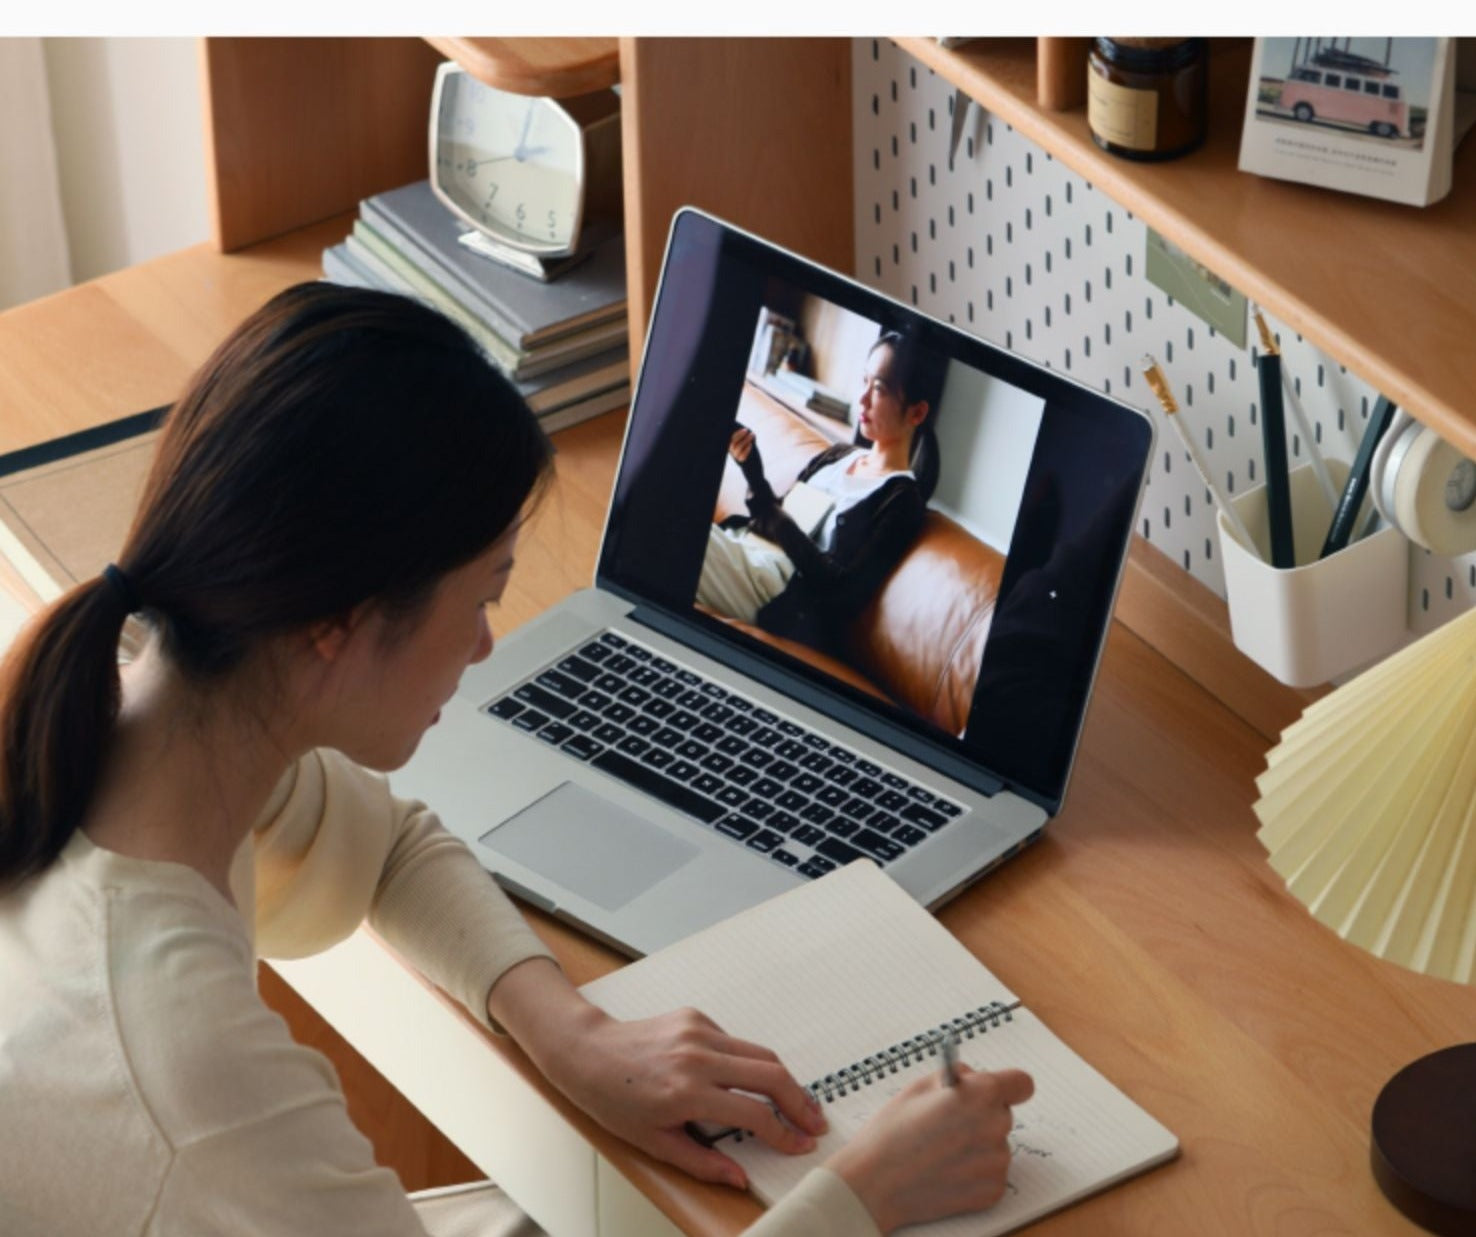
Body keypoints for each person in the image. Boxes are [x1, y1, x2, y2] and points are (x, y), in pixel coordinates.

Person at [0, 284, 1032, 1237]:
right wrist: (864, 1194)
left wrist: (572, 1033)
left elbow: (390, 841)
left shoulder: (144, 714)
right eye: (485, 595)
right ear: (338, 624)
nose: (488, 644)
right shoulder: (194, 1081)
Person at [696, 330, 944, 658]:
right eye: (864, 381)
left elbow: (844, 593)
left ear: (917, 413)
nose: (862, 399)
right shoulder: (839, 455)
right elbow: (771, 519)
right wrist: (751, 468)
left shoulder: (901, 501)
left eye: (879, 389)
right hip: (746, 550)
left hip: (774, 590)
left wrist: (776, 519)